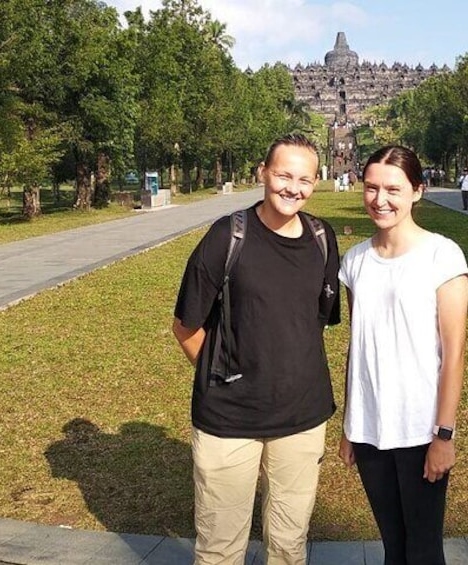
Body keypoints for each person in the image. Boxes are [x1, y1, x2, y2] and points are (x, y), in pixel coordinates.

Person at [172, 134, 341, 565]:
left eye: (304, 178)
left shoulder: (323, 238)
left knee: (289, 544)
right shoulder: (227, 237)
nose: (292, 187)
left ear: (317, 182)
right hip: (230, 418)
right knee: (219, 548)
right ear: (263, 173)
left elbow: (313, 323)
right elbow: (186, 326)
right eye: (283, 174)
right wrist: (225, 373)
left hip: (301, 417)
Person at [338, 145, 468, 565]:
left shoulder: (442, 255)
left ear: (418, 191)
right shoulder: (354, 260)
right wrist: (348, 425)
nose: (381, 200)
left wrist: (443, 436)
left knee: (424, 550)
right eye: (372, 187)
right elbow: (358, 348)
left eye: (393, 189)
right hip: (370, 428)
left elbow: (454, 354)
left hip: (420, 429)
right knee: (393, 547)